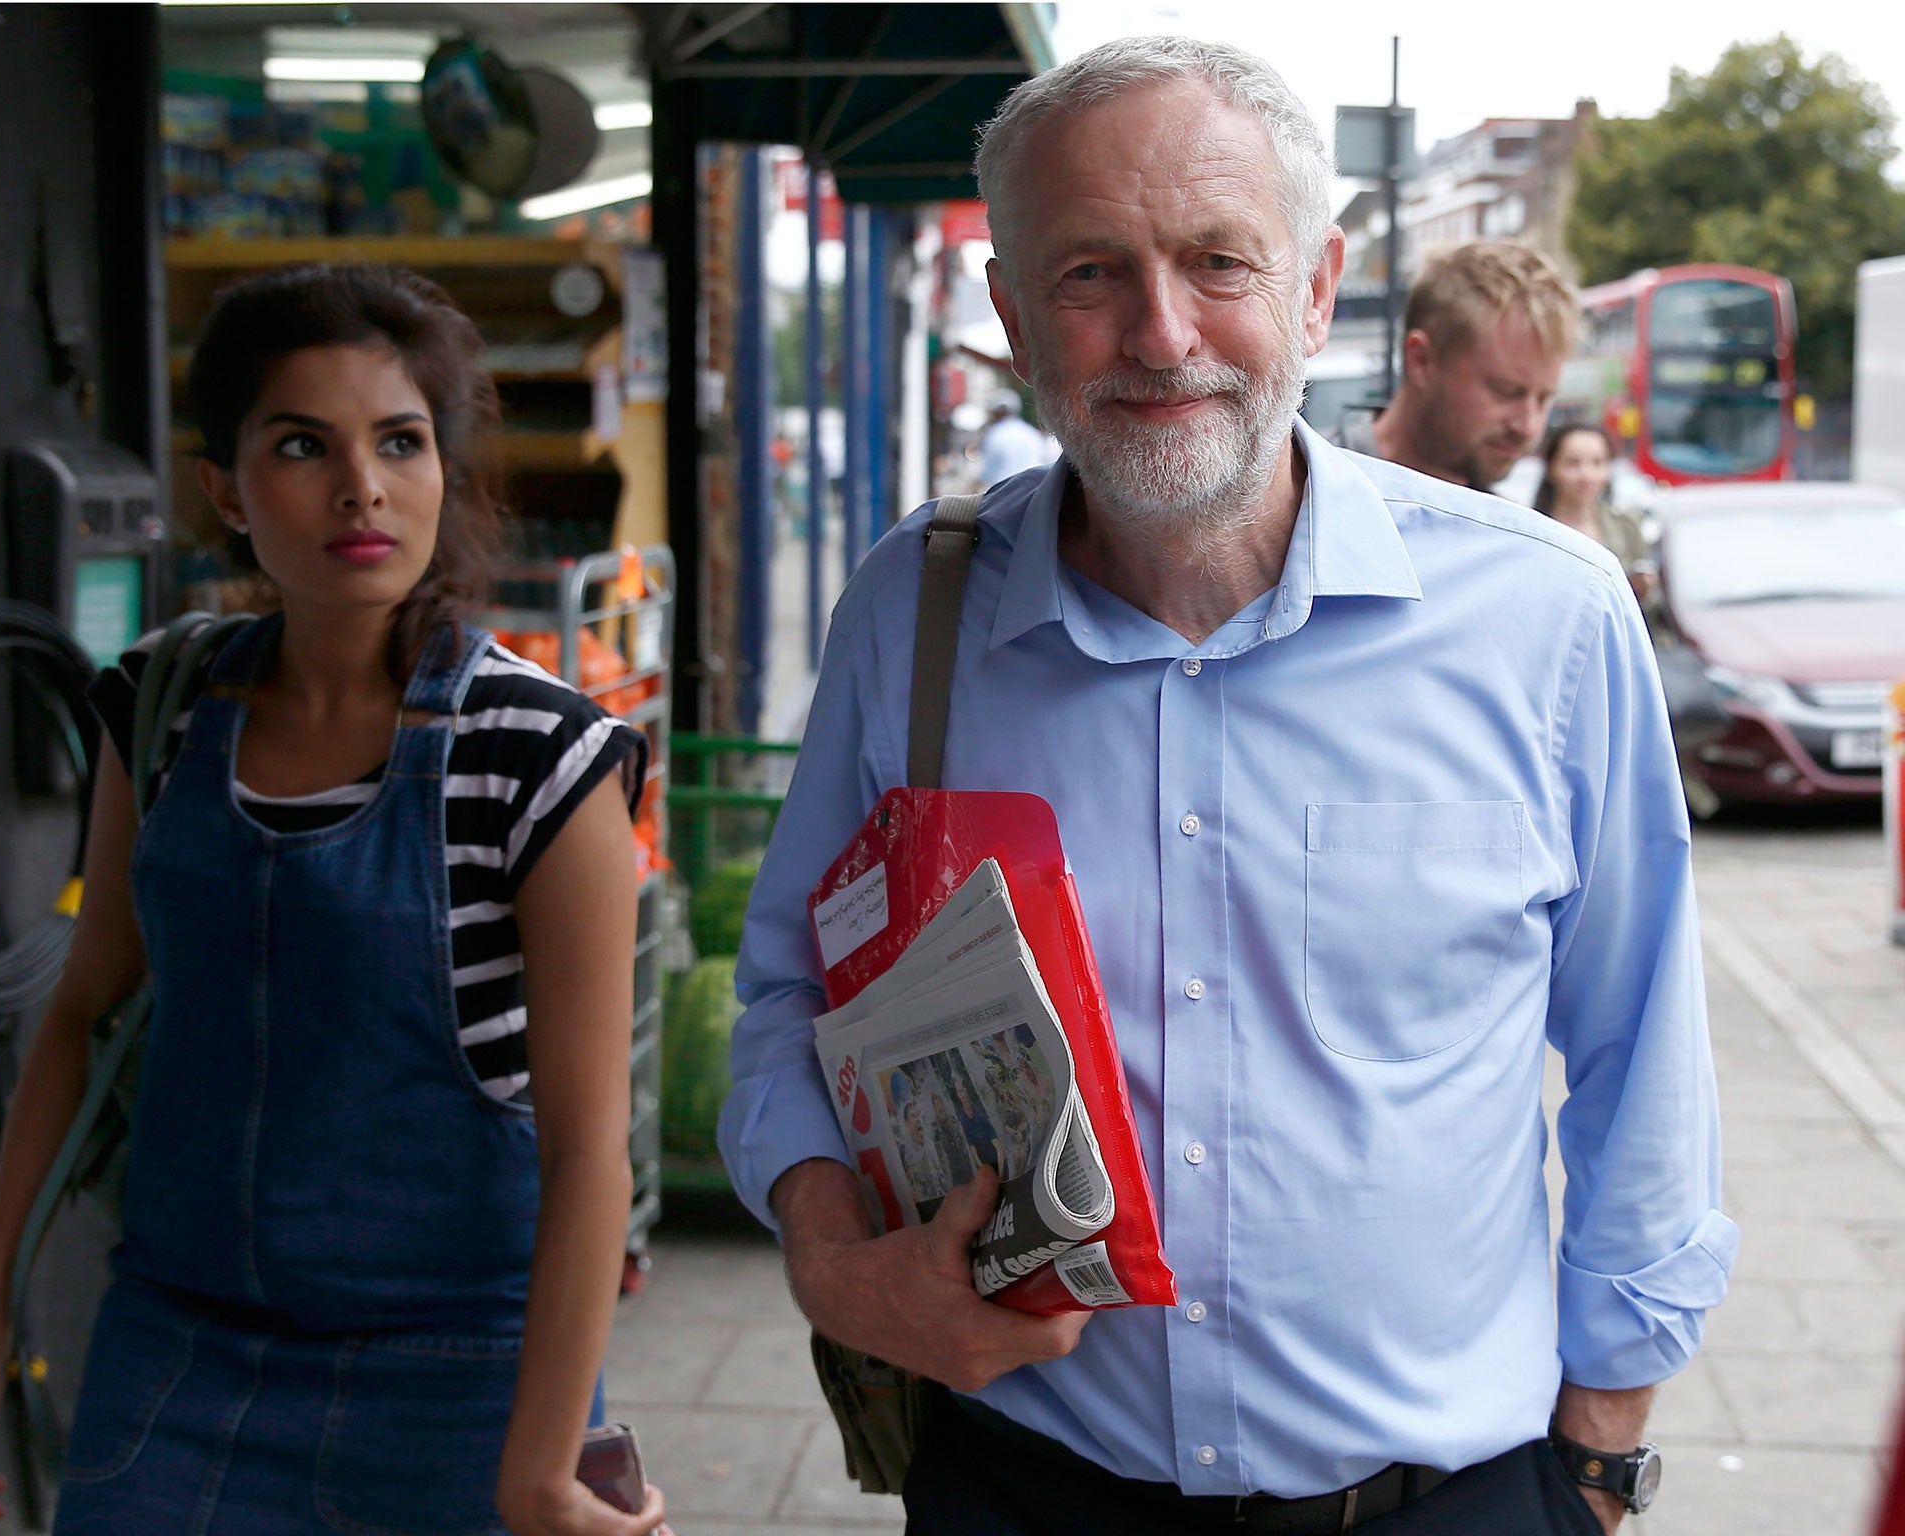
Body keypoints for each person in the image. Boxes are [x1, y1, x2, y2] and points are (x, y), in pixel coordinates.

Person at [719, 35, 1732, 1536]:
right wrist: (829, 1256)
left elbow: (1641, 1053)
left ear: (1317, 291)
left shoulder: (1548, 623)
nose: (1161, 333)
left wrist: (1597, 1449)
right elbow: (790, 997)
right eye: (1089, 274)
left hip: (1447, 1500)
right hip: (1029, 1488)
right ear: (1008, 313)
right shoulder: (911, 622)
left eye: (1218, 263)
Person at [0, 264, 668, 1536]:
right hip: (178, 1355)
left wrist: (542, 1465)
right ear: (224, 490)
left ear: (441, 470)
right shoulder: (159, 709)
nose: (360, 487)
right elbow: (79, 1015)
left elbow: (589, 1145)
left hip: (464, 1379)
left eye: (401, 442)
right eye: (303, 444)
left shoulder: (539, 755)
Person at [1336, 241, 1576, 491]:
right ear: (1421, 360)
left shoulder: (1505, 524)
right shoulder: (1308, 490)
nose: (1528, 426)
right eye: (1505, 391)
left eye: (1544, 399)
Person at [1535, 422, 1657, 609]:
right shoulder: (1533, 531)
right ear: (1551, 468)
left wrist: (1642, 590)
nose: (1586, 475)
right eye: (1572, 463)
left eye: (1597, 463)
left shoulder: (1626, 527)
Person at [977, 387, 1058, 487]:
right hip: (1033, 491)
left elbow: (986, 472)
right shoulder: (1030, 433)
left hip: (1004, 493)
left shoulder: (995, 434)